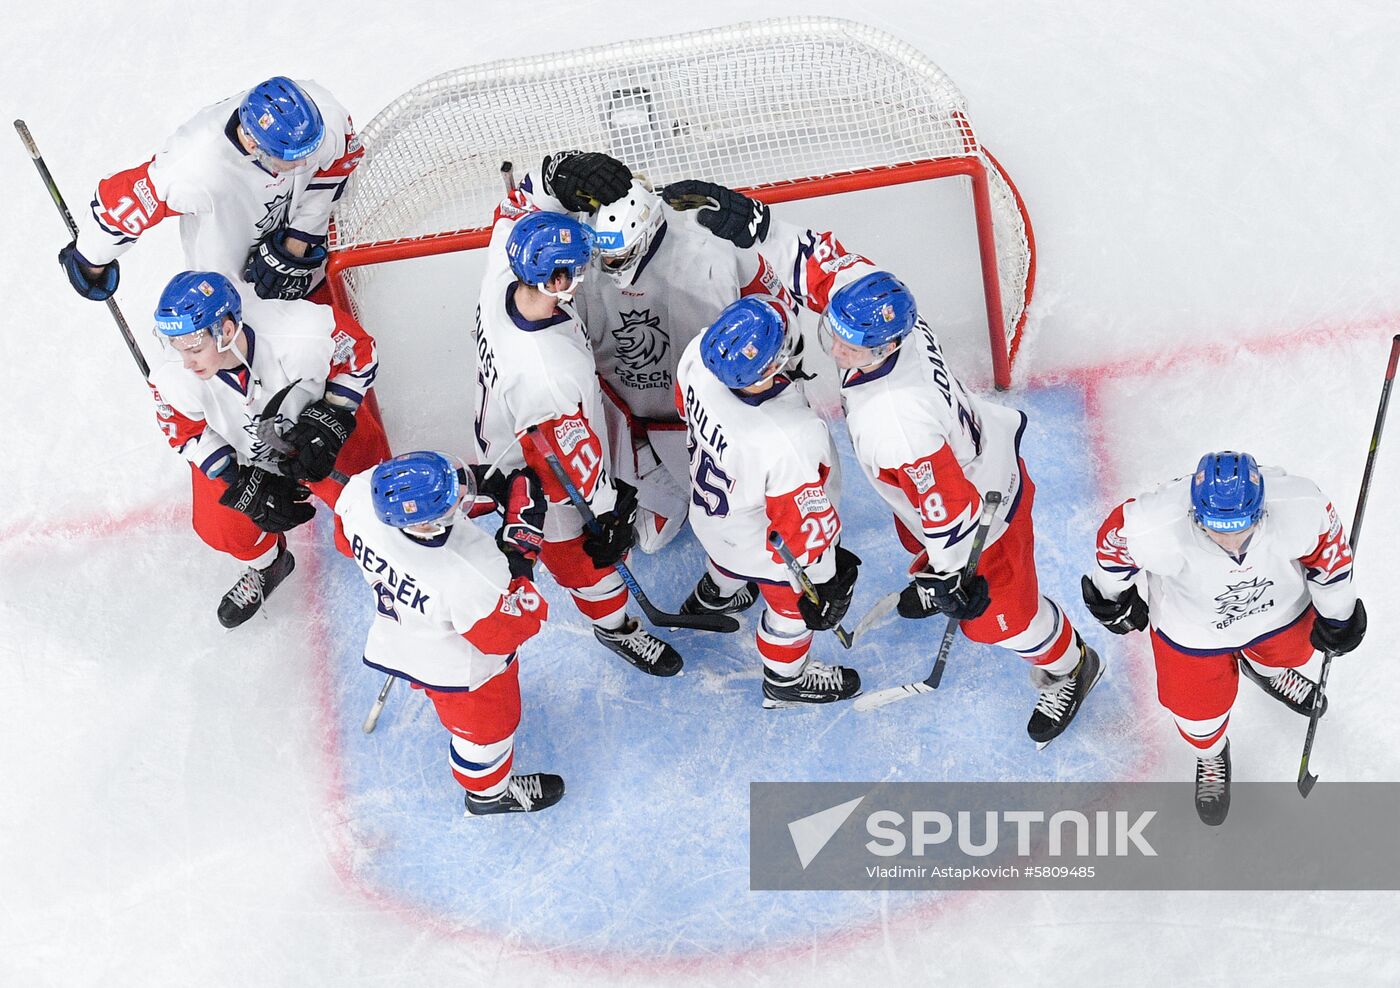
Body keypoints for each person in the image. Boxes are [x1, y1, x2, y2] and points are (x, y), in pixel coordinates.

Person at [813, 272, 1103, 744]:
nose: (839, 352)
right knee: (921, 539)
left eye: (853, 345)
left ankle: (1073, 665)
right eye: (838, 334)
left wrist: (952, 578)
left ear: (884, 348)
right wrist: (764, 231)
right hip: (960, 470)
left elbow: (950, 514)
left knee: (1005, 617)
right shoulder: (894, 319)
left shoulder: (896, 420)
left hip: (986, 524)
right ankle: (940, 579)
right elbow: (839, 266)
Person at [507, 151, 794, 551]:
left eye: (620, 257)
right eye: (602, 258)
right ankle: (648, 470)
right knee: (645, 540)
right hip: (621, 414)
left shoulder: (713, 245)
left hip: (703, 415)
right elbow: (521, 243)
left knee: (741, 527)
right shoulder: (573, 257)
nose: (609, 268)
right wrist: (555, 174)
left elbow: (781, 323)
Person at [1084, 451, 1366, 825]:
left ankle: (1267, 670)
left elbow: (1331, 562)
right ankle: (1211, 753)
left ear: (1261, 507)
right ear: (1196, 514)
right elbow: (1112, 553)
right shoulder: (1152, 523)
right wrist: (1112, 599)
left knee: (1295, 651)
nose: (1231, 541)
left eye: (1242, 526)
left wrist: (1339, 615)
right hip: (1191, 633)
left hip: (1278, 611)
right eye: (1217, 527)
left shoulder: (1301, 505)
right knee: (1195, 710)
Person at [471, 202, 682, 676]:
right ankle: (617, 626)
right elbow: (567, 470)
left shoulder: (501, 277)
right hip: (543, 479)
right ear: (556, 281)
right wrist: (609, 513)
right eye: (575, 272)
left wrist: (555, 179)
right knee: (582, 561)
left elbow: (510, 208)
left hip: (507, 431)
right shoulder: (550, 373)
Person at [148, 270, 389, 627]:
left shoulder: (300, 332)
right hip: (245, 453)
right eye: (178, 347)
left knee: (375, 512)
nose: (186, 361)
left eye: (195, 348)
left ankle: (391, 571)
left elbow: (360, 353)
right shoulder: (172, 376)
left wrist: (333, 416)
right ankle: (270, 563)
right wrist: (240, 480)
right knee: (223, 525)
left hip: (320, 440)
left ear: (226, 331)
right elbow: (185, 432)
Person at [336, 451, 564, 815]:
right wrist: (520, 552)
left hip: (400, 637)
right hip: (458, 671)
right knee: (487, 734)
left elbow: (344, 543)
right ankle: (488, 795)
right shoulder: (469, 572)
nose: (460, 494)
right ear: (426, 525)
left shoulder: (361, 493)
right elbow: (509, 631)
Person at [674, 295, 861, 707]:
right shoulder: (790, 439)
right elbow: (802, 534)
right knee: (792, 613)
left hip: (711, 518)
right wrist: (825, 580)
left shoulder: (700, 356)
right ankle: (785, 682)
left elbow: (682, 408)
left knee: (727, 549)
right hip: (762, 548)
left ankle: (712, 597)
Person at [59, 76, 363, 305]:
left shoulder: (326, 115)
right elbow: (122, 202)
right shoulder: (194, 165)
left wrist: (299, 238)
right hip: (228, 276)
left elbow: (337, 165)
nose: (307, 162)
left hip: (307, 261)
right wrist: (91, 259)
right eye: (294, 159)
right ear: (254, 145)